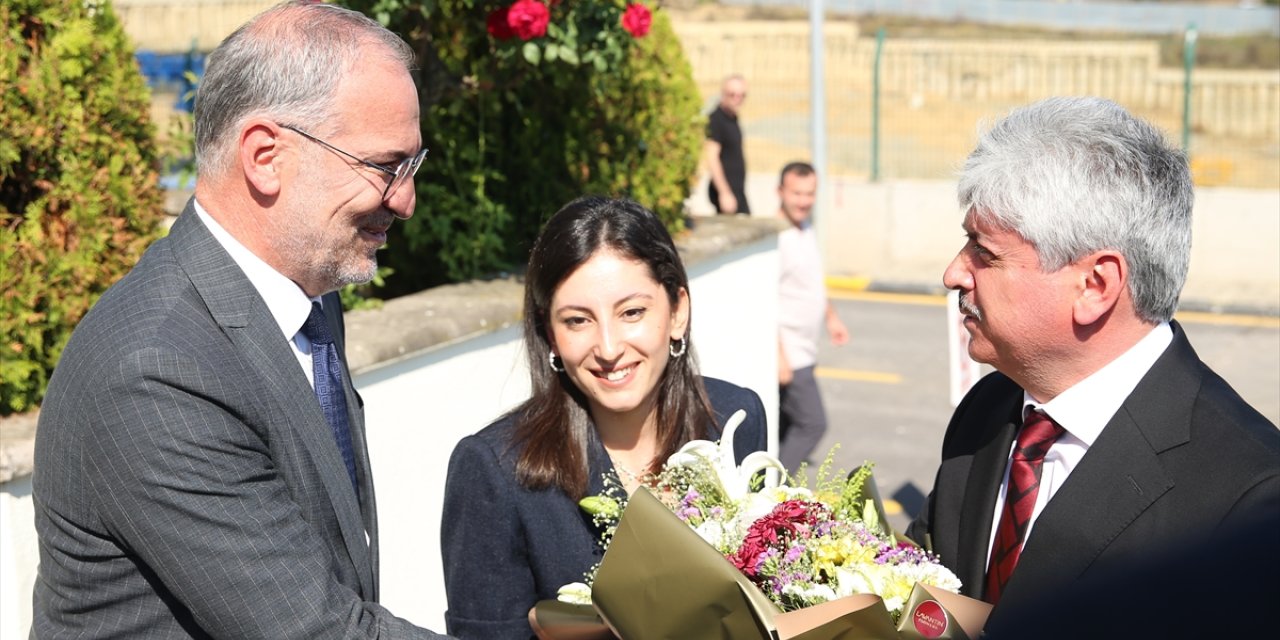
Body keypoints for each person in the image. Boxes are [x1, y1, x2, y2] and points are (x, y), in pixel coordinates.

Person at [31, 2, 449, 638]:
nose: (406, 200)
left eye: (412, 166)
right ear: (264, 156)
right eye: (385, 166)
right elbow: (314, 628)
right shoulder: (156, 373)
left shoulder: (305, 292)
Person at [905, 96, 1280, 629]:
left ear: (1096, 285)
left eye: (984, 253)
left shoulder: (1249, 498)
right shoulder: (990, 408)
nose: (953, 274)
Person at [440, 196, 768, 639]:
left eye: (632, 312)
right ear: (549, 334)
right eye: (578, 321)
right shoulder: (494, 471)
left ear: (677, 311)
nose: (609, 348)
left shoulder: (735, 419)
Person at [774, 162, 849, 471]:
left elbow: (812, 281)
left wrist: (831, 317)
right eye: (796, 193)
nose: (804, 201)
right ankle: (769, 494)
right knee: (811, 423)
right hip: (790, 355)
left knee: (781, 426)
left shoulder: (804, 227)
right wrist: (778, 356)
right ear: (780, 192)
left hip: (804, 348)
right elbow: (763, 302)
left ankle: (763, 489)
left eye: (810, 193)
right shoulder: (776, 239)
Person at [704, 74, 750, 215]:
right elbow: (712, 157)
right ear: (723, 94)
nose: (737, 99)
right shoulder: (716, 120)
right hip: (726, 191)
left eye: (742, 95)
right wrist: (724, 193)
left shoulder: (732, 118)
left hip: (737, 189)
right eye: (732, 95)